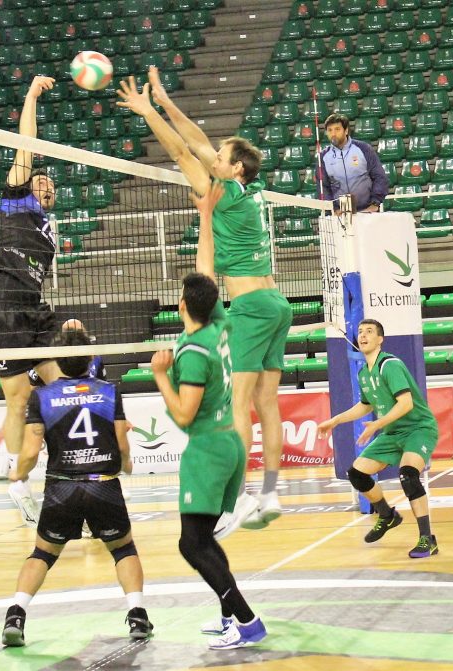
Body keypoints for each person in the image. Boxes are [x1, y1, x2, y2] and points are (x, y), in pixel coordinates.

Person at [118, 68, 293, 538]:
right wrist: (167, 102)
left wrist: (147, 111)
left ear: (234, 168)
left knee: (239, 403)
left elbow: (181, 150)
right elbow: (197, 141)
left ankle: (237, 500)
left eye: (221, 156)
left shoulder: (219, 194)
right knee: (267, 403)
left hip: (252, 308)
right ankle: (271, 492)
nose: (212, 156)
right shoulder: (251, 190)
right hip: (278, 302)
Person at [149, 181, 267, 649]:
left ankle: (246, 620)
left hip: (208, 448)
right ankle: (228, 618)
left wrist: (160, 376)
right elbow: (206, 271)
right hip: (230, 444)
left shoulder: (192, 351)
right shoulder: (219, 323)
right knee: (206, 539)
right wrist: (204, 216)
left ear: (181, 307)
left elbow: (182, 415)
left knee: (191, 543)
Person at [2, 327, 152, 646]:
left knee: (42, 553)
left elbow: (30, 451)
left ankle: (16, 614)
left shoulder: (42, 396)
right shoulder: (109, 391)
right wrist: (126, 464)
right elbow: (122, 442)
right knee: (123, 549)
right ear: (90, 360)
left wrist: (19, 474)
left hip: (62, 487)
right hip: (103, 484)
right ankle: (137, 614)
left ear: (56, 360)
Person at [0, 75, 59, 527]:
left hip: (36, 308)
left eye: (49, 183)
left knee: (68, 375)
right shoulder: (13, 202)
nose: (44, 184)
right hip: (5, 307)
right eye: (39, 178)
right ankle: (17, 481)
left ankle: (63, 461)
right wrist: (31, 96)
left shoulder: (47, 225)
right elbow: (25, 145)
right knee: (18, 398)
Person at [317, 319, 440, 558]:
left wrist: (377, 424)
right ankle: (387, 515)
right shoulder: (364, 372)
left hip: (418, 428)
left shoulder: (389, 365)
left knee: (408, 476)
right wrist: (335, 421)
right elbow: (365, 406)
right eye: (360, 332)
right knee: (357, 473)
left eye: (369, 332)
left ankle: (427, 539)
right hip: (392, 432)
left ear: (380, 339)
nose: (363, 335)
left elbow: (406, 403)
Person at [318, 112, 389, 214]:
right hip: (340, 216)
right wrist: (333, 209)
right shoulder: (323, 157)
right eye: (330, 130)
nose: (333, 134)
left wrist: (375, 203)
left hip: (368, 212)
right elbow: (323, 186)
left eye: (337, 129)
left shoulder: (364, 149)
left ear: (346, 130)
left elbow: (380, 177)